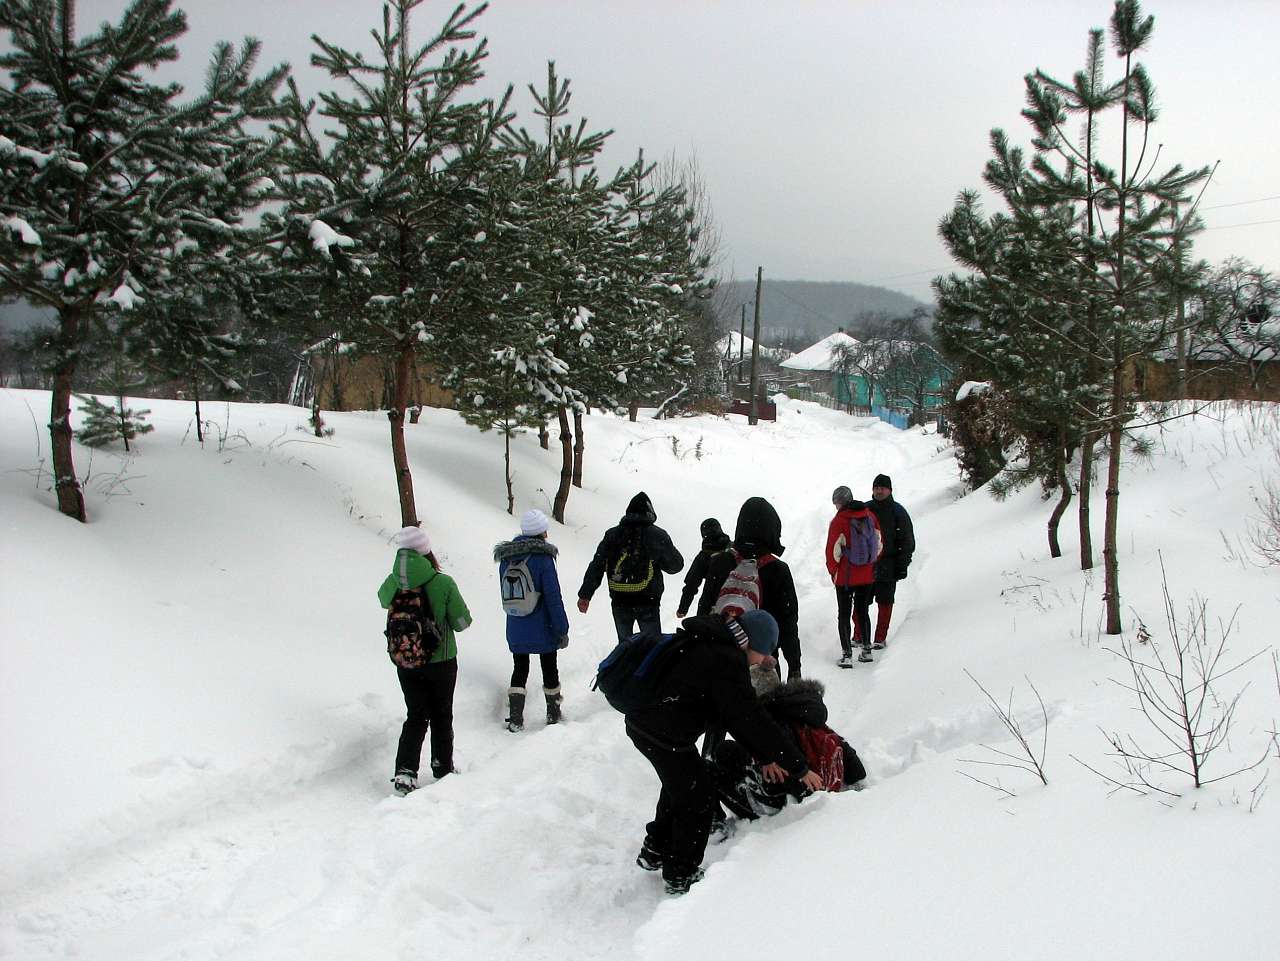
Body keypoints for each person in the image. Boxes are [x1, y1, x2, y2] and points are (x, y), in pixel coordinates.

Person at [625, 610, 823, 895]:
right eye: (762, 653)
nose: (761, 661)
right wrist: (799, 767)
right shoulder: (727, 662)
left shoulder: (717, 642)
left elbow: (734, 718)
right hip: (660, 732)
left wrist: (766, 757)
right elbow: (752, 720)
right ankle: (681, 874)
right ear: (752, 643)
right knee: (698, 798)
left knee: (680, 785)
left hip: (650, 723)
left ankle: (654, 850)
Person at [377, 526, 472, 794]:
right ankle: (442, 767)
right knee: (442, 713)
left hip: (405, 661)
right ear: (426, 551)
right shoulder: (442, 582)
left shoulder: (393, 582)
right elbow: (462, 621)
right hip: (441, 661)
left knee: (416, 715)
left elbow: (382, 600)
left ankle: (405, 772)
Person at [709, 674, 867, 821]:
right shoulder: (805, 713)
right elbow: (853, 764)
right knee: (727, 750)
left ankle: (716, 827)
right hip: (811, 784)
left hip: (778, 801)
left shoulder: (773, 725)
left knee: (710, 766)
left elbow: (789, 770)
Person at [696, 496, 803, 680]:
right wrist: (794, 667)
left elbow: (704, 610)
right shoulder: (778, 569)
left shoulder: (720, 562)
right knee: (766, 706)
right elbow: (788, 624)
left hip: (721, 660)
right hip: (763, 663)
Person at [494, 509, 571, 732]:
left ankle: (516, 717)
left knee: (520, 668)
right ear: (541, 532)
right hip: (543, 626)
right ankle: (553, 713)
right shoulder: (543, 560)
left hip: (516, 624)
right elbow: (553, 597)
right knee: (549, 667)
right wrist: (562, 628)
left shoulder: (506, 559)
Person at [577, 491, 684, 642]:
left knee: (624, 646)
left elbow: (597, 563)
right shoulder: (656, 535)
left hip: (619, 599)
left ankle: (626, 663)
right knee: (651, 646)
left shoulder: (612, 534)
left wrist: (585, 594)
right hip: (648, 600)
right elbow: (676, 566)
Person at [826, 486, 882, 666]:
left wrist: (833, 572)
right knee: (862, 611)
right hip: (867, 576)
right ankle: (866, 650)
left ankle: (847, 655)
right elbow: (879, 544)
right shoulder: (870, 516)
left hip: (845, 577)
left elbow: (832, 552)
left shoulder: (839, 521)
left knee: (844, 614)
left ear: (839, 503)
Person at [865, 473, 915, 650]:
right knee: (862, 602)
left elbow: (907, 541)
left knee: (885, 602)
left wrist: (902, 565)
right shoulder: (864, 509)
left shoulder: (898, 511)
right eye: (876, 487)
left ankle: (880, 638)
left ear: (890, 490)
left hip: (888, 563)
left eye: (882, 488)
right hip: (865, 565)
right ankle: (859, 636)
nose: (879, 491)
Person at [675, 517, 732, 618]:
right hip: (735, 600)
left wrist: (683, 609)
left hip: (710, 602)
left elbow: (691, 585)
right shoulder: (734, 549)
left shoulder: (704, 556)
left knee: (705, 632)